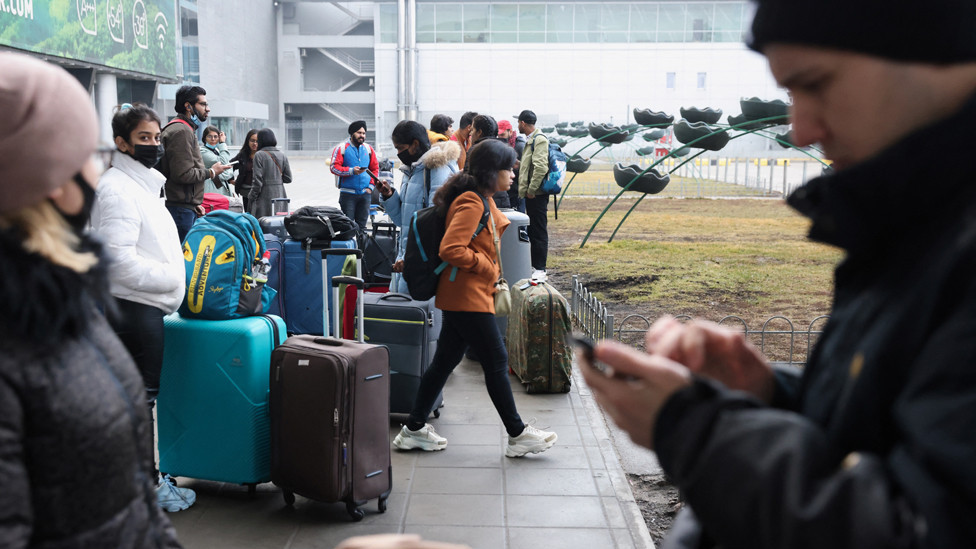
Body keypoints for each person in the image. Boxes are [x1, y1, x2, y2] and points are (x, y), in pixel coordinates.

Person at [581, 1, 976, 548]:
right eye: (792, 96)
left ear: (927, 47)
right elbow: (890, 433)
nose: (802, 128)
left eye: (815, 84)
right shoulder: (917, 215)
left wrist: (697, 433)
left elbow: (926, 528)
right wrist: (767, 394)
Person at [0, 52, 183, 548]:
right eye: (88, 151)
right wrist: (173, 277)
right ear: (53, 181)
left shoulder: (63, 303)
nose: (99, 166)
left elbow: (127, 504)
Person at [392, 139, 557, 458]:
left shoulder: (481, 197)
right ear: (490, 172)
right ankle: (517, 433)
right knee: (496, 361)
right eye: (508, 167)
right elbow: (451, 249)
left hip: (463, 294)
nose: (513, 172)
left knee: (443, 364)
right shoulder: (472, 202)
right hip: (467, 295)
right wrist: (487, 267)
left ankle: (413, 429)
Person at [90, 103, 196, 513]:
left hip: (140, 308)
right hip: (133, 309)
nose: (153, 146)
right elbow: (114, 261)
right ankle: (143, 488)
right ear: (121, 143)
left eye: (155, 138)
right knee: (138, 402)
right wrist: (170, 279)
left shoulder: (141, 184)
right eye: (143, 139)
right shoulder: (117, 189)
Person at [375, 120, 461, 294]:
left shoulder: (438, 171)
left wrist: (412, 260)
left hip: (424, 262)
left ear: (415, 144)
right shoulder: (411, 171)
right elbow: (403, 221)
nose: (398, 153)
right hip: (407, 258)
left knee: (423, 316)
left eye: (400, 148)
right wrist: (389, 196)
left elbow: (437, 225)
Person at [159, 84, 230, 242]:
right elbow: (183, 174)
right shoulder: (181, 131)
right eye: (203, 104)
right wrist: (211, 172)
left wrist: (192, 203)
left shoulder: (183, 129)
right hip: (180, 211)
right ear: (188, 106)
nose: (208, 109)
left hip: (184, 208)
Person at [515, 109, 549, 280]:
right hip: (532, 194)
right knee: (534, 228)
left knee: (538, 229)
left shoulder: (539, 140)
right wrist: (519, 165)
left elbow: (541, 167)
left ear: (522, 123)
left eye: (518, 122)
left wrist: (531, 190)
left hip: (537, 195)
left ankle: (540, 268)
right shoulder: (531, 140)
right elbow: (531, 165)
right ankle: (536, 266)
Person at [331, 120, 379, 232]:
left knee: (362, 228)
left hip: (365, 195)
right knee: (348, 228)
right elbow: (334, 167)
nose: (362, 135)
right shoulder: (342, 148)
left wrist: (370, 187)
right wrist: (351, 171)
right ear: (352, 133)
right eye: (359, 133)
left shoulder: (368, 149)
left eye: (364, 133)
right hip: (348, 195)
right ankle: (349, 249)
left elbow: (375, 169)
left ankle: (362, 249)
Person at [248, 128, 292, 219]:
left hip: (264, 197)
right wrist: (276, 179)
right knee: (277, 224)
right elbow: (288, 178)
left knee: (262, 225)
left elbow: (257, 181)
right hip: (280, 196)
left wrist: (251, 197)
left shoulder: (259, 155)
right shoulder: (282, 155)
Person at [468, 114, 510, 208]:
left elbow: (470, 179)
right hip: (502, 199)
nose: (470, 134)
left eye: (472, 130)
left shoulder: (476, 150)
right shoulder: (501, 148)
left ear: (479, 132)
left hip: (483, 201)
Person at [200, 125, 234, 197]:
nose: (213, 139)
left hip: (221, 189)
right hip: (211, 190)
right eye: (209, 136)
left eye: (215, 136)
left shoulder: (217, 151)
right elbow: (224, 162)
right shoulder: (203, 152)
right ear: (205, 138)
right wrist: (222, 143)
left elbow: (229, 169)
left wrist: (223, 174)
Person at [231, 129, 259, 212]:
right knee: (248, 216)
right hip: (246, 192)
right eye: (252, 140)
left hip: (260, 192)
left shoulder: (263, 155)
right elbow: (229, 165)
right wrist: (231, 180)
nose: (255, 143)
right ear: (248, 141)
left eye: (257, 141)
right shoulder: (243, 155)